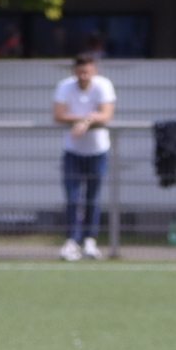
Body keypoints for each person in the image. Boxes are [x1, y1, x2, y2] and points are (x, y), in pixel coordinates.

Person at [52, 53, 115, 261]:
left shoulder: (103, 85)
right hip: (73, 151)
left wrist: (86, 121)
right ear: (74, 71)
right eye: (80, 71)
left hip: (98, 151)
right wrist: (85, 119)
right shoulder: (65, 86)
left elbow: (106, 114)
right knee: (72, 198)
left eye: (87, 71)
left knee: (93, 199)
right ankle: (71, 241)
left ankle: (90, 240)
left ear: (94, 71)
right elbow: (59, 114)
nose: (84, 75)